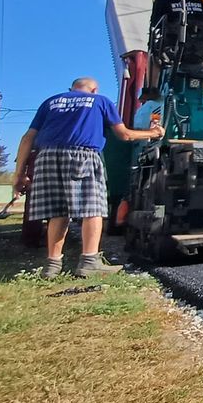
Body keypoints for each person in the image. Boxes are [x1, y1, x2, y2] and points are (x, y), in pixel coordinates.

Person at [13, 77, 163, 279]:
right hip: (82, 155)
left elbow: (27, 138)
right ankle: (89, 262)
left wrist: (19, 174)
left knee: (58, 211)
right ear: (94, 89)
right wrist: (153, 133)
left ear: (71, 89)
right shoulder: (100, 101)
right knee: (92, 208)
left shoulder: (51, 102)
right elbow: (124, 135)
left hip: (46, 156)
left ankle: (52, 266)